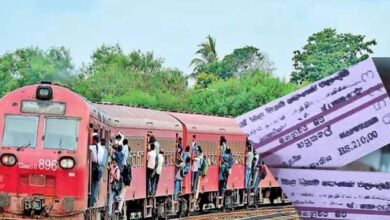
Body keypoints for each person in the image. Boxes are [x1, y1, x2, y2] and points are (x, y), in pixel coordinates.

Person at [88, 135, 106, 207]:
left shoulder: (91, 147)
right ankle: (92, 202)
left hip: (93, 166)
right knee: (95, 184)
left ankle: (90, 202)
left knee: (92, 184)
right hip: (98, 167)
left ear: (94, 140)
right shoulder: (102, 149)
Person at [117, 138, 130, 214]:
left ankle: (119, 209)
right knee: (122, 195)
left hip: (123, 181)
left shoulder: (123, 149)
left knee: (121, 194)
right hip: (125, 182)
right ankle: (119, 209)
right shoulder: (127, 148)